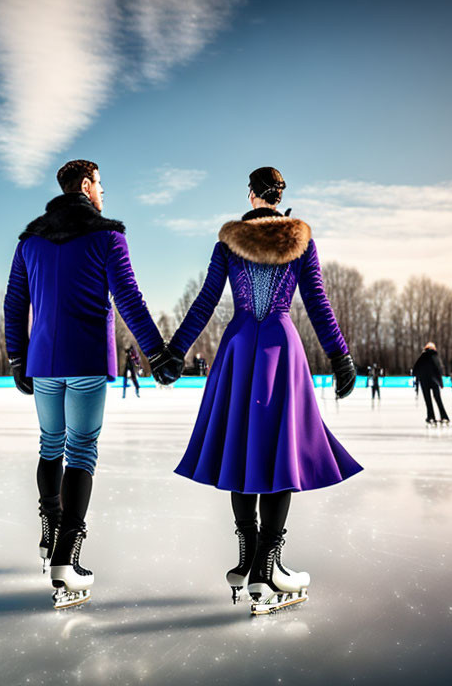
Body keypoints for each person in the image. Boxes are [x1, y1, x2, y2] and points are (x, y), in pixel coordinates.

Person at [165, 167, 360, 615]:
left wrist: (176, 350)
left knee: (242, 448)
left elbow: (205, 301)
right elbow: (317, 303)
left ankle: (249, 558)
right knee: (278, 452)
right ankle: (266, 567)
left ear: (252, 196)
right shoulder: (300, 241)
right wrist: (340, 356)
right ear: (278, 196)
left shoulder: (228, 242)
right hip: (280, 348)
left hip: (237, 349)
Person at [3, 159, 176, 609]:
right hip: (87, 360)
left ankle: (50, 531)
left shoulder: (30, 242)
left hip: (43, 360)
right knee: (81, 450)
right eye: (101, 184)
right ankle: (66, 558)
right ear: (86, 185)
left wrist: (17, 355)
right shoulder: (107, 236)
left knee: (49, 445)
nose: (104, 193)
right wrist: (156, 352)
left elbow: (14, 303)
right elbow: (129, 300)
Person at [412, 342, 449, 425]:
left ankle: (431, 417)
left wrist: (418, 379)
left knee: (428, 401)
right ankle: (444, 416)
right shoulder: (435, 356)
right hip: (434, 381)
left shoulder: (422, 357)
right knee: (438, 400)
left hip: (424, 381)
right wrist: (441, 382)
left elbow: (415, 370)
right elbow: (439, 369)